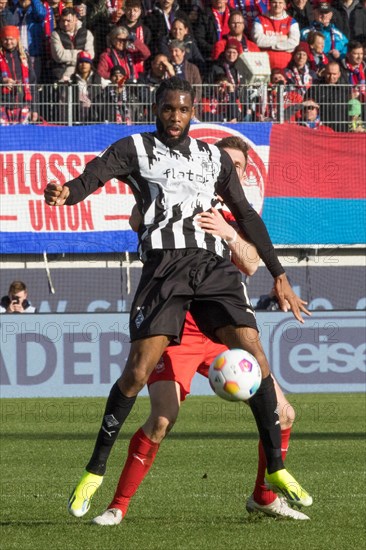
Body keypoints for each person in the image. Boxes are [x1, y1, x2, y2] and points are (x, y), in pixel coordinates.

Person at [44, 77, 312, 521]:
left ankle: (276, 473)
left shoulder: (212, 158)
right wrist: (66, 193)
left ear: (193, 113)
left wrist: (280, 273)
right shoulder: (134, 148)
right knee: (136, 372)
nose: (174, 117)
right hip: (164, 268)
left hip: (211, 267)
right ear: (157, 108)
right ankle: (95, 469)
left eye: (183, 110)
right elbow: (91, 177)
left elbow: (245, 214)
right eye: (168, 109)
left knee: (256, 356)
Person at [0, 24, 38, 125]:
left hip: (22, 104)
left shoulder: (24, 57)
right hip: (3, 104)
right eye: (5, 39)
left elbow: (32, 82)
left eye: (11, 39)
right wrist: (3, 80)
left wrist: (34, 109)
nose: (8, 42)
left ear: (17, 39)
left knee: (22, 137)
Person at [251, 0, 300, 70]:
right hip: (263, 66)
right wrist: (280, 39)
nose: (277, 5)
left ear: (284, 5)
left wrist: (272, 46)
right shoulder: (259, 20)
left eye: (280, 3)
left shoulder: (292, 21)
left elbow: (294, 43)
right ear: (269, 4)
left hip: (286, 68)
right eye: (274, 2)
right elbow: (258, 41)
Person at [50, 6, 94, 82]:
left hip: (83, 73)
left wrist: (69, 57)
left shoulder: (87, 33)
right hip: (62, 73)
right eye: (63, 20)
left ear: (75, 19)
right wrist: (80, 54)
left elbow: (90, 55)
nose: (65, 23)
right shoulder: (55, 34)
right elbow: (59, 56)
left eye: (68, 20)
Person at [69, 50, 108, 124]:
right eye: (81, 62)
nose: (84, 64)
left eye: (86, 62)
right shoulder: (73, 79)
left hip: (95, 117)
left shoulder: (98, 78)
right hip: (78, 118)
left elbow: (109, 87)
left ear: (90, 64)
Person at [11, 0, 46, 80]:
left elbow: (41, 14)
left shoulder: (35, 11)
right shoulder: (14, 10)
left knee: (33, 83)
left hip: (33, 54)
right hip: (17, 54)